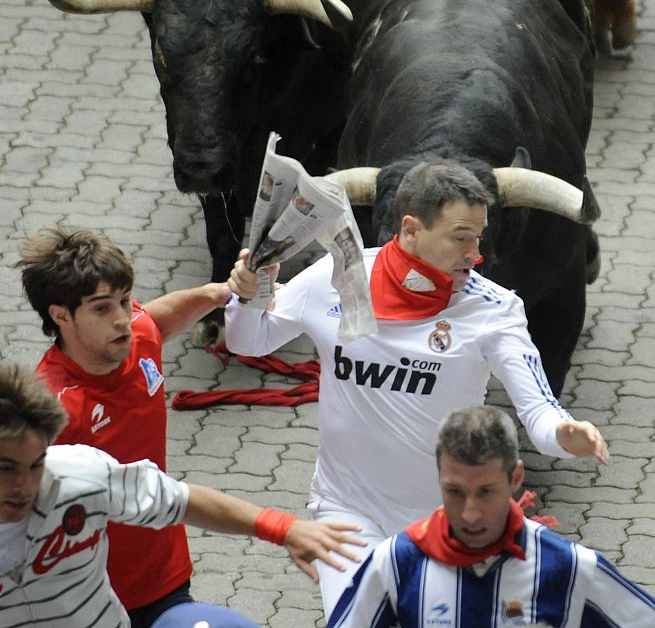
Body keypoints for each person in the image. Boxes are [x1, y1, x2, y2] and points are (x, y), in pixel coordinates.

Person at [224, 159, 610, 617]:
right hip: (347, 512)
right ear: (411, 229)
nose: (475, 254)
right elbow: (248, 341)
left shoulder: (496, 309)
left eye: (478, 238)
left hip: (451, 522)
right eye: (460, 237)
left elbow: (539, 411)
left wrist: (565, 434)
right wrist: (246, 297)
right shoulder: (333, 278)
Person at [15, 225, 363, 627]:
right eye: (101, 308)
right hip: (83, 601)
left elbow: (156, 322)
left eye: (125, 301)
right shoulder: (52, 411)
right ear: (61, 316)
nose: (122, 320)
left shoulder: (134, 336)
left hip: (162, 585)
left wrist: (223, 292)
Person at [0, 362, 365, 628]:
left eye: (36, 464)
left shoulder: (80, 475)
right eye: (7, 469)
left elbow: (181, 500)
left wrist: (282, 527)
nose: (26, 486)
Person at [327, 405, 655, 627]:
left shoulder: (568, 568)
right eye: (455, 492)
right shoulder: (398, 562)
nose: (470, 513)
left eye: (486, 492)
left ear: (515, 479)